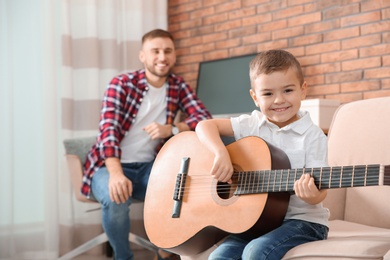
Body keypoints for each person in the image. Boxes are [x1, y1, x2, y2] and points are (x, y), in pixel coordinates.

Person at [81, 29, 212, 260]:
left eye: (168, 51)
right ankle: (123, 257)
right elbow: (108, 132)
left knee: (182, 188)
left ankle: (166, 251)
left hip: (149, 167)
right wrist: (116, 174)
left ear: (174, 56)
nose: (162, 57)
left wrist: (172, 129)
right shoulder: (121, 84)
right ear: (143, 56)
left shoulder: (178, 86)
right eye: (156, 51)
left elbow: (204, 118)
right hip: (108, 166)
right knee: (116, 198)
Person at [195, 49, 329, 260]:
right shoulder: (252, 123)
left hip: (303, 222)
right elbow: (204, 126)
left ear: (303, 90)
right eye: (268, 93)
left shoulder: (313, 136)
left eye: (287, 90)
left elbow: (320, 192)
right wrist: (220, 152)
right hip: (256, 221)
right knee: (218, 257)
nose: (278, 100)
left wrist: (312, 195)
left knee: (256, 252)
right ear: (255, 97)